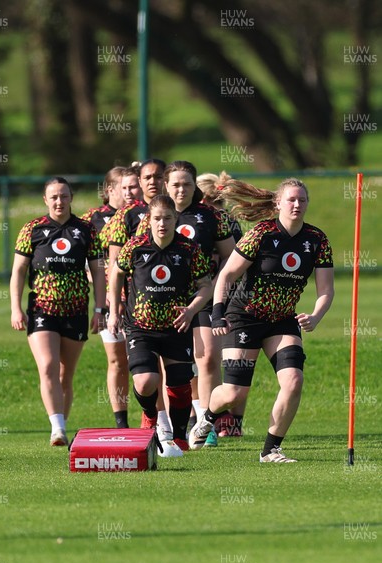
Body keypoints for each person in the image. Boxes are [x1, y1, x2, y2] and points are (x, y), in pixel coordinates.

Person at [188, 178, 334, 462]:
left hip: (281, 320)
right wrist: (218, 313)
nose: (296, 205)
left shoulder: (317, 239)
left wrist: (316, 315)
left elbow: (326, 290)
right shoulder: (261, 233)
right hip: (244, 317)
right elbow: (227, 276)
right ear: (278, 203)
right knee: (234, 394)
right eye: (291, 199)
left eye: (302, 200)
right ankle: (206, 419)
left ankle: (271, 449)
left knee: (293, 380)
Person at [137, 161, 235, 447]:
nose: (181, 190)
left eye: (187, 184)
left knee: (207, 359)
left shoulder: (211, 216)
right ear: (166, 186)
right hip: (165, 301)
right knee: (172, 367)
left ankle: (206, 425)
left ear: (196, 187)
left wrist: (218, 281)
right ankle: (168, 427)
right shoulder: (155, 215)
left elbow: (230, 254)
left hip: (202, 297)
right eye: (176, 184)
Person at [107, 195, 212, 452]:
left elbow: (206, 286)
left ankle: (178, 436)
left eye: (167, 218)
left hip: (176, 327)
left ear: (175, 219)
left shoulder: (189, 249)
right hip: (140, 327)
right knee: (145, 381)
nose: (162, 223)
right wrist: (113, 311)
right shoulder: (135, 246)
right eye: (157, 218)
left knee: (179, 386)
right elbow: (116, 273)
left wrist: (190, 311)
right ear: (149, 220)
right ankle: (151, 416)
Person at [10, 177, 106, 446]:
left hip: (75, 310)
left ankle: (62, 421)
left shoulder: (86, 230)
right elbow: (18, 271)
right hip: (42, 308)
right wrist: (15, 308)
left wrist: (100, 308)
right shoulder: (32, 229)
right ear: (45, 200)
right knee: (49, 366)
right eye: (53, 197)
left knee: (66, 373)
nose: (59, 201)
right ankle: (58, 429)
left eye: (64, 196)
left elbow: (98, 271)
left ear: (71, 197)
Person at [81, 166, 131, 428]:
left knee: (148, 360)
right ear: (110, 189)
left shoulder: (142, 214)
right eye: (124, 187)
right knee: (117, 360)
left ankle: (160, 422)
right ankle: (121, 421)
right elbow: (85, 261)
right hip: (110, 301)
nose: (130, 192)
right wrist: (106, 290)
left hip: (143, 298)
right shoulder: (92, 219)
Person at [196, 170, 244, 437]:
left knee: (223, 362)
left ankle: (218, 422)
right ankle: (218, 421)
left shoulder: (223, 222)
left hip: (224, 297)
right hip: (213, 297)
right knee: (215, 362)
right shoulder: (198, 220)